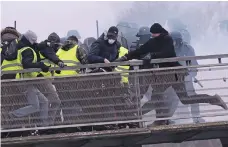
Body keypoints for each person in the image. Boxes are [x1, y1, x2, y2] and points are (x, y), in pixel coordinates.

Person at [115, 23, 228, 125]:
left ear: (159, 32)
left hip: (176, 74)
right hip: (167, 75)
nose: (153, 35)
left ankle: (213, 99)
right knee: (159, 94)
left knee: (184, 99)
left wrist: (152, 55)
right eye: (152, 33)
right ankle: (162, 119)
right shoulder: (153, 41)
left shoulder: (167, 39)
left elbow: (167, 53)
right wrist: (125, 57)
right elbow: (140, 51)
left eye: (155, 33)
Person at [170, 31, 205, 123]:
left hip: (186, 78)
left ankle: (196, 117)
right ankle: (175, 118)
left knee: (192, 96)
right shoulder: (168, 49)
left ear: (178, 41)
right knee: (173, 98)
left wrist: (190, 75)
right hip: (173, 79)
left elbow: (193, 65)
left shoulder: (187, 49)